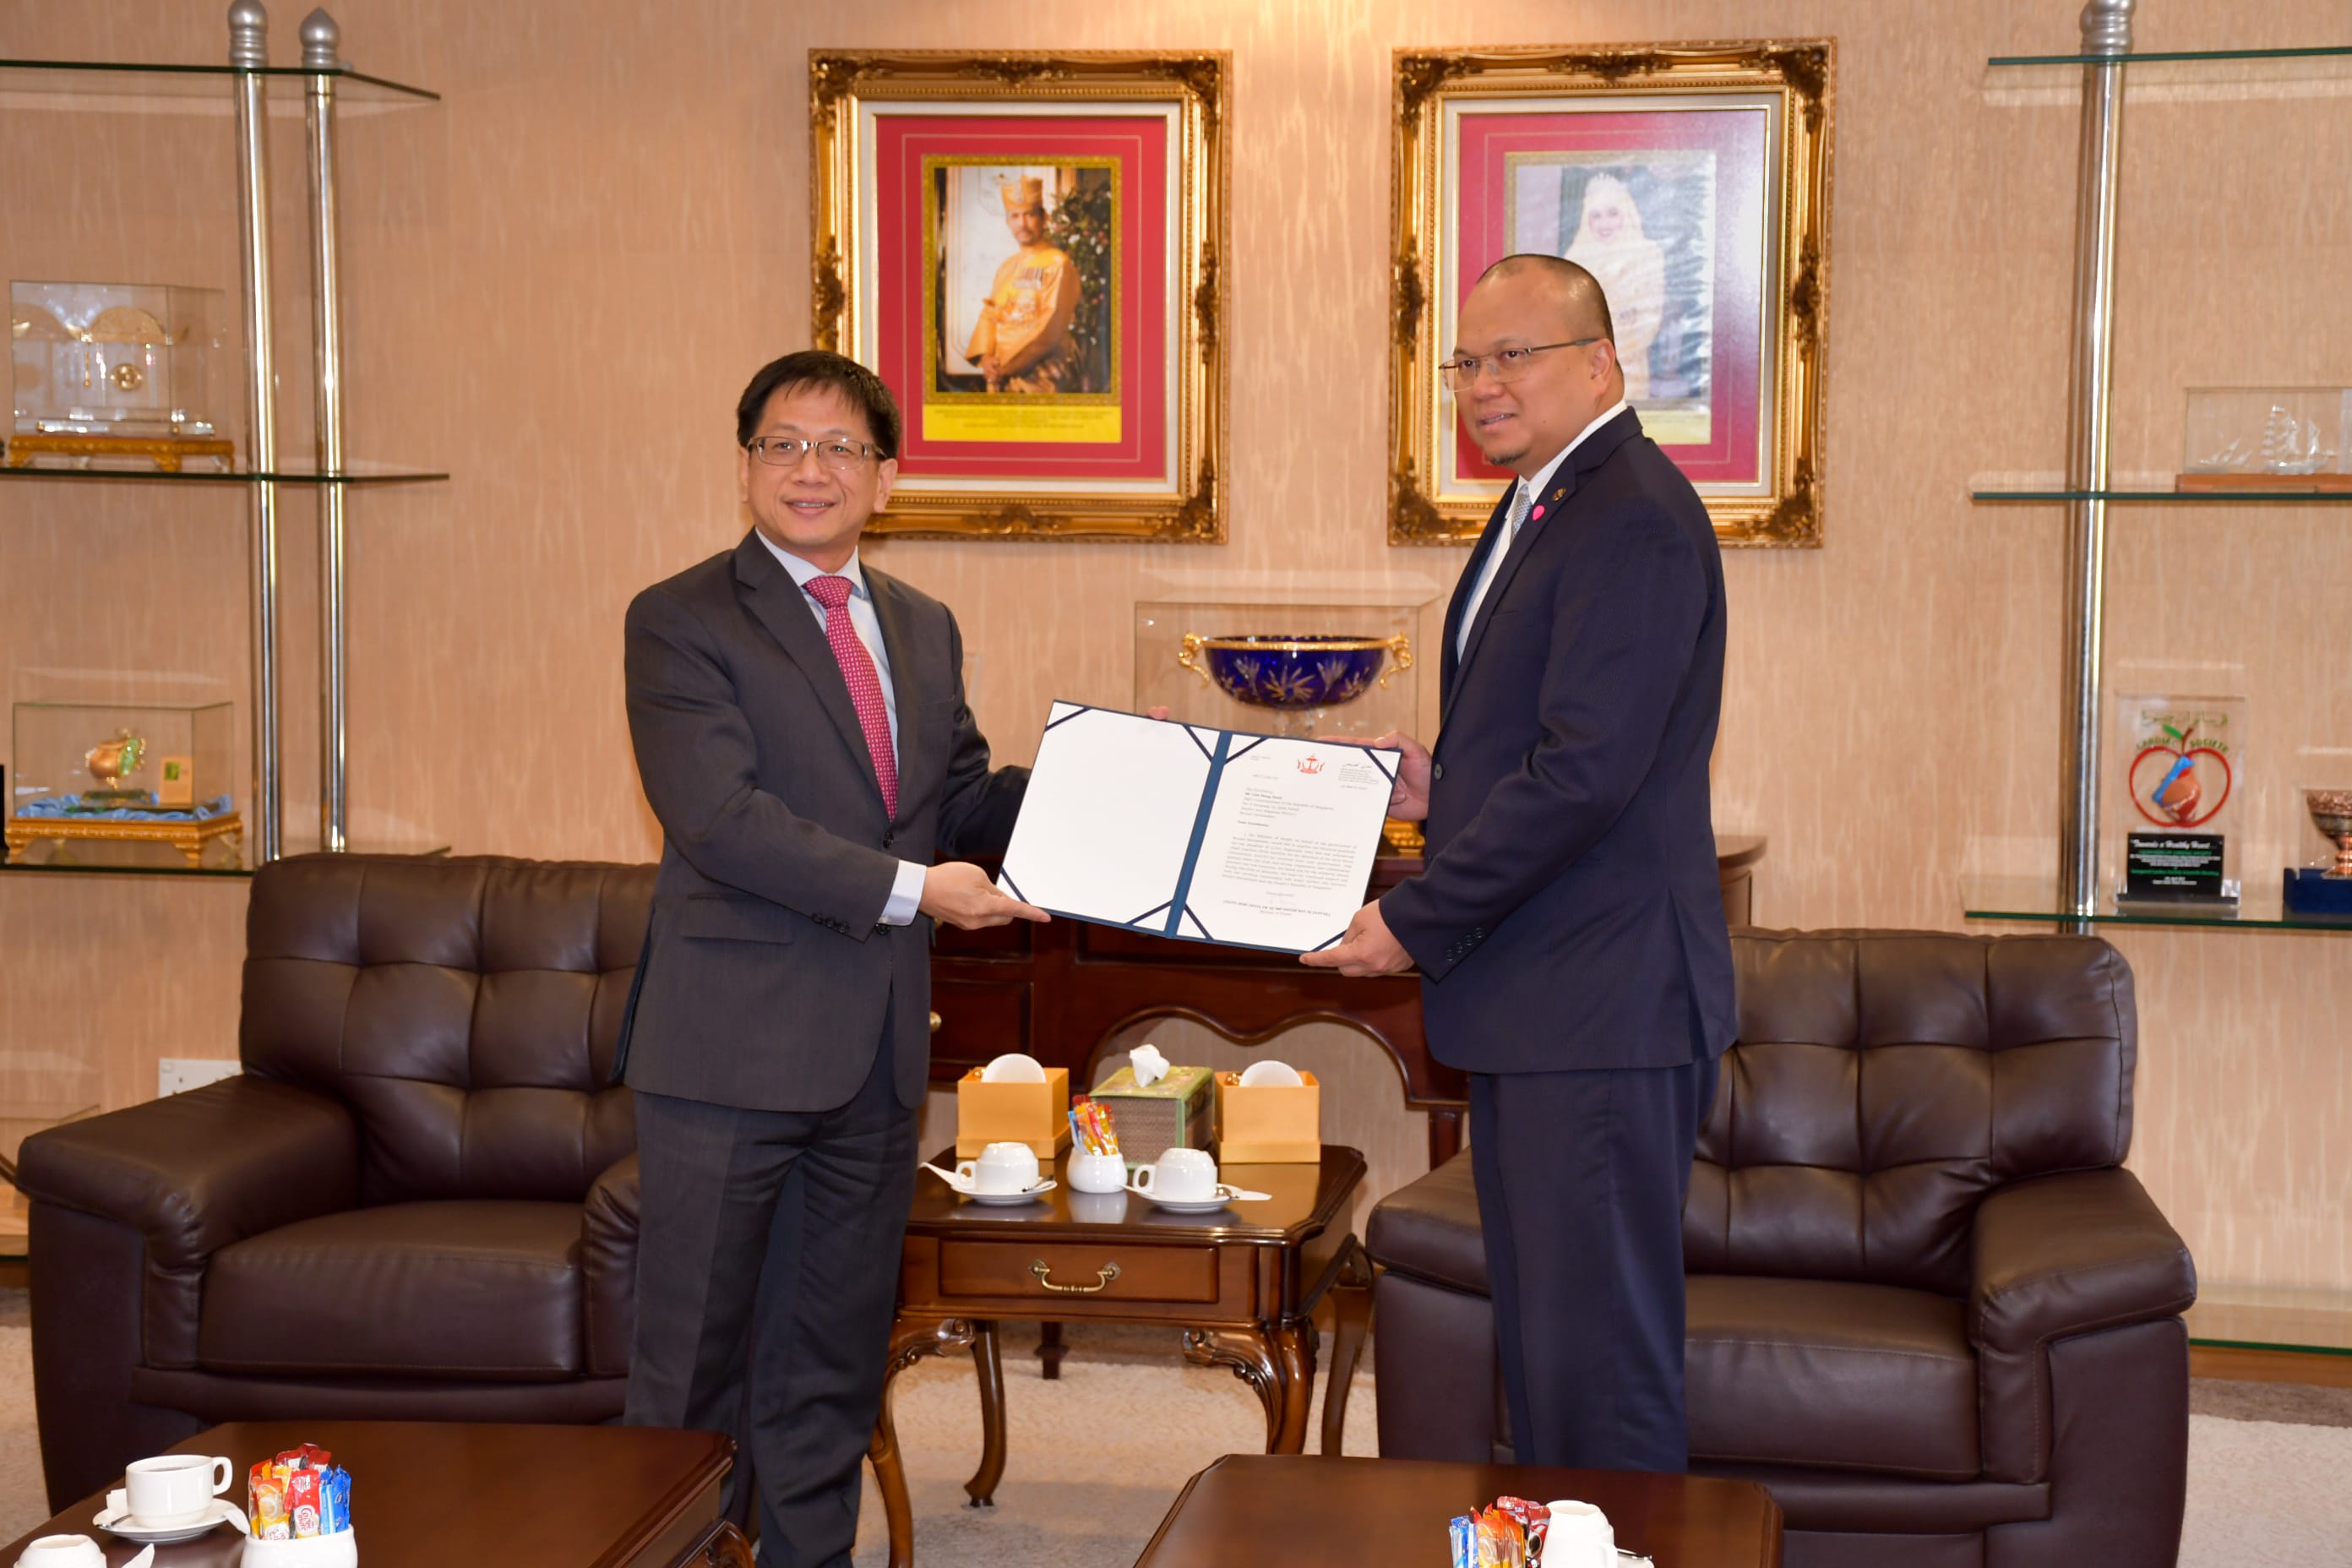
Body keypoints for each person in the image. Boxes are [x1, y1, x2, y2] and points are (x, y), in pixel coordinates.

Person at [1305, 254, 1734, 1473]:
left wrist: (1417, 916)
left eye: (1516, 356)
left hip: (1597, 1009)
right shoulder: (1551, 497)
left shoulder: (1633, 516)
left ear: (1599, 363)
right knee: (1550, 1355)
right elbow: (1568, 744)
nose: (1485, 385)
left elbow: (1588, 776)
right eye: (1467, 362)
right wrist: (1444, 785)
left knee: (1598, 1373)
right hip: (1554, 1005)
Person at [618, 349, 1045, 1565]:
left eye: (841, 448)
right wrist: (919, 893)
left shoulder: (920, 624)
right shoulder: (681, 620)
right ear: (747, 465)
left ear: (888, 477)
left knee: (828, 1372)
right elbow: (722, 819)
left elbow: (955, 795)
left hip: (870, 1066)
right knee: (690, 1371)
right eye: (783, 446)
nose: (812, 470)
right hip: (724, 1058)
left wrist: (1116, 800)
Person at [964, 175, 1079, 393]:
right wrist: (987, 357)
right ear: (1008, 222)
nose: (1022, 224)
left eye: (1029, 215)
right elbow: (990, 314)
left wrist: (1008, 367)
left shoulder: (1058, 264)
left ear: (1044, 218)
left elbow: (1051, 326)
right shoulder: (1007, 267)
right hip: (1000, 380)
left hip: (1040, 380)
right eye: (1015, 216)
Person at [1563, 172, 1666, 400]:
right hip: (1585, 372)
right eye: (1596, 216)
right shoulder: (1575, 259)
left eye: (1612, 214)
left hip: (1632, 370)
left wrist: (1612, 351)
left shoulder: (1647, 254)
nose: (1604, 224)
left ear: (1626, 214)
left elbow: (1650, 319)